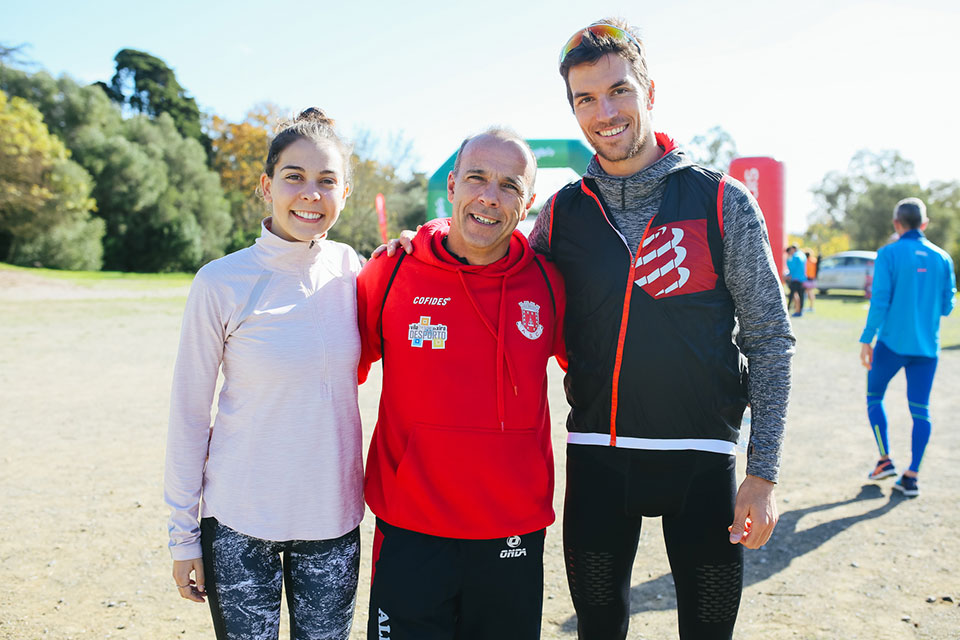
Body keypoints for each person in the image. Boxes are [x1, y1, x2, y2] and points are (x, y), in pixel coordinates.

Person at [528, 19, 795, 639]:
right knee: (597, 630)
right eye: (585, 99)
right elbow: (502, 280)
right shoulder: (564, 211)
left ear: (650, 90)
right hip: (597, 459)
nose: (605, 111)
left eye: (619, 90)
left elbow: (769, 341)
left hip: (701, 463)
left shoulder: (721, 200)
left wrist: (764, 473)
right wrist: (430, 245)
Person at [357, 130, 567, 640]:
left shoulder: (549, 284)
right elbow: (330, 373)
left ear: (529, 202)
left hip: (510, 529)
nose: (489, 197)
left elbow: (606, 375)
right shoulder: (390, 270)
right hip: (411, 527)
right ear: (452, 185)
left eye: (508, 185)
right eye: (476, 178)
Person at [164, 108, 364, 640]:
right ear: (266, 185)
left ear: (345, 191)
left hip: (333, 520)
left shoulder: (357, 272)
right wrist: (183, 537)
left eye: (327, 181)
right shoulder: (221, 282)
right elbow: (188, 415)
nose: (310, 194)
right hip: (239, 521)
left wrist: (425, 243)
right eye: (294, 177)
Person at [859, 197, 956, 498]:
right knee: (920, 410)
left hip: (891, 344)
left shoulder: (888, 253)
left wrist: (867, 338)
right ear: (924, 224)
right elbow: (947, 306)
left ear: (896, 223)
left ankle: (885, 459)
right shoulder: (942, 258)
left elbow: (880, 300)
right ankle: (911, 476)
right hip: (927, 349)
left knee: (874, 397)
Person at [785, 244, 807, 316]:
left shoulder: (795, 256)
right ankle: (800, 311)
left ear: (793, 249)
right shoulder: (803, 255)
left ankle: (787, 309)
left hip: (795, 278)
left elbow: (792, 267)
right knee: (801, 296)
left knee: (791, 295)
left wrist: (788, 260)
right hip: (803, 278)